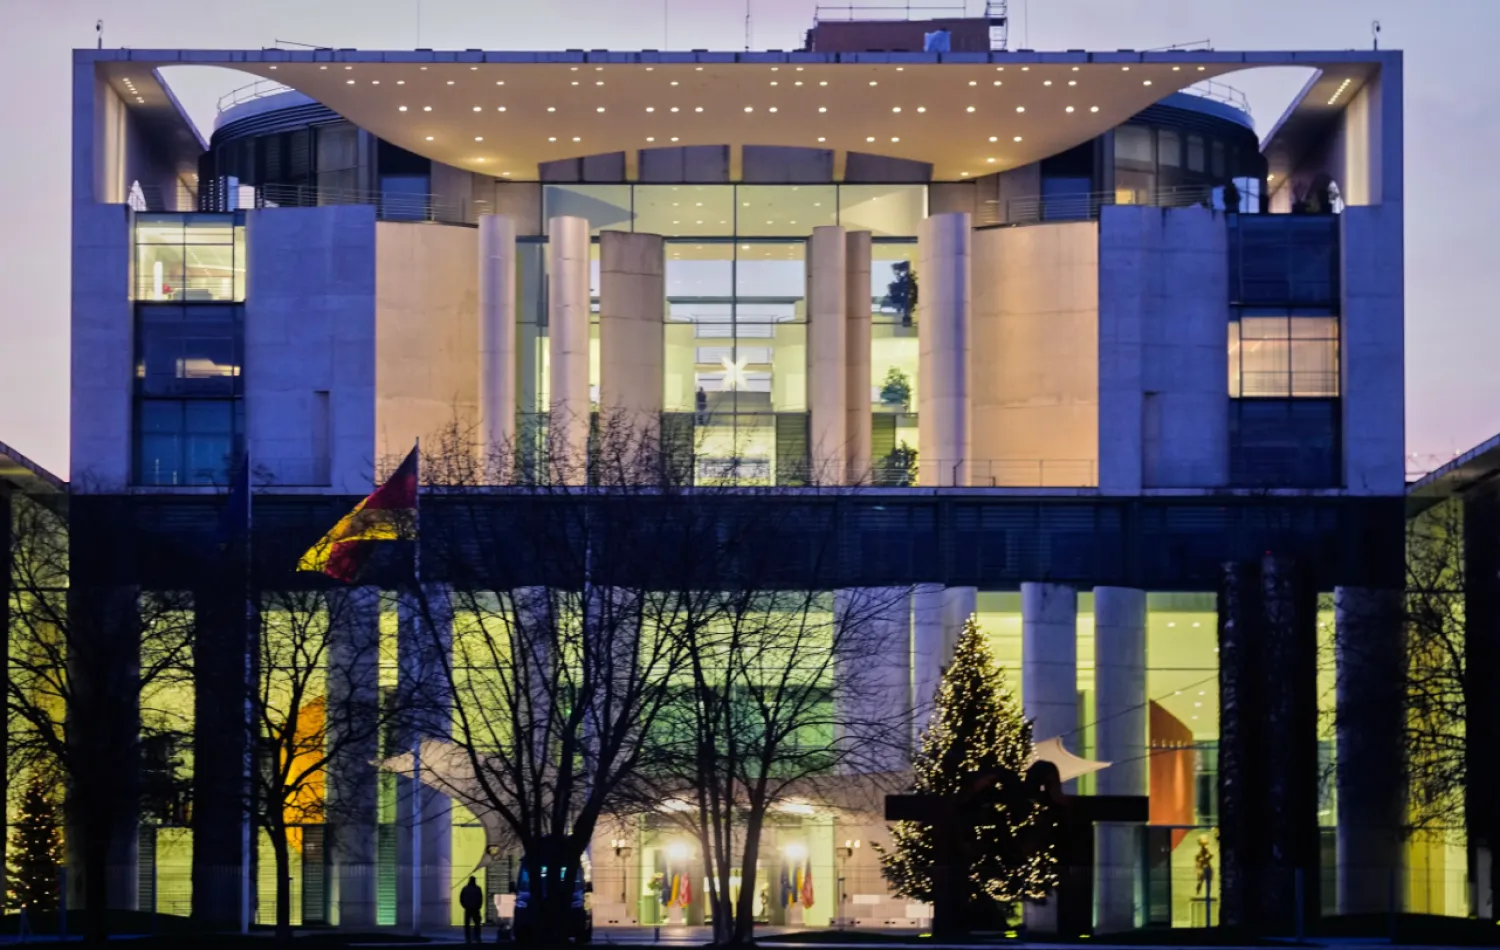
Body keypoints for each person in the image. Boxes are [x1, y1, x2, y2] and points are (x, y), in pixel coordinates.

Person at [460, 875, 485, 944]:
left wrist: (464, 905)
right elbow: (480, 898)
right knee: (477, 924)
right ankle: (477, 937)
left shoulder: (465, 889)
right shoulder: (477, 889)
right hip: (475, 909)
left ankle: (468, 938)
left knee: (468, 925)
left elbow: (461, 898)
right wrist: (479, 906)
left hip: (468, 908)